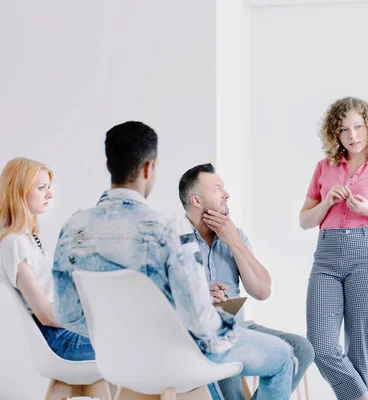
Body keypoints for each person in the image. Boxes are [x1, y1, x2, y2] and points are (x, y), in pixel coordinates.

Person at [52, 121, 294, 400]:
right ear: (148, 168)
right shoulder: (166, 229)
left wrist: (119, 333)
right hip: (175, 356)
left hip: (117, 360)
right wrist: (229, 328)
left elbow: (67, 314)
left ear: (109, 166)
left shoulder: (73, 228)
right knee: (284, 356)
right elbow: (201, 323)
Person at [299, 97, 368, 400]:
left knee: (359, 349)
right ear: (335, 134)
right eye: (344, 129)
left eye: (358, 127)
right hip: (326, 258)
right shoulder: (324, 168)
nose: (353, 136)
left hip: (367, 256)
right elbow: (304, 220)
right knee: (320, 346)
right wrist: (326, 202)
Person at [178, 162, 314, 399]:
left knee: (300, 348)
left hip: (239, 330)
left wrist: (234, 242)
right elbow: (156, 299)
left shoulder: (235, 236)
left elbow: (262, 290)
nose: (226, 194)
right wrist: (198, 294)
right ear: (196, 200)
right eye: (217, 189)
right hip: (198, 336)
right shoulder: (171, 239)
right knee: (222, 342)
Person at [0, 157, 95, 361]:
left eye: (48, 188)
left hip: (65, 332)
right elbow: (46, 314)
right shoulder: (13, 242)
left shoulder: (27, 238)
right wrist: (92, 321)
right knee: (134, 342)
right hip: (61, 339)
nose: (50, 195)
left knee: (132, 334)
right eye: (42, 188)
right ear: (19, 190)